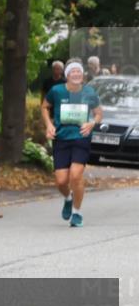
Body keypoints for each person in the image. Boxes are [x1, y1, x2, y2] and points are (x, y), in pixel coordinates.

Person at [41, 59, 103, 228]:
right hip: (61, 138)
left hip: (81, 137)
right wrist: (49, 125)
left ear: (82, 75)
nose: (76, 74)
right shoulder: (56, 91)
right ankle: (68, 199)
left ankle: (77, 213)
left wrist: (91, 123)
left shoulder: (89, 92)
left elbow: (98, 113)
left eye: (79, 72)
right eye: (72, 72)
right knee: (61, 181)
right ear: (67, 75)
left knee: (75, 176)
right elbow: (45, 107)